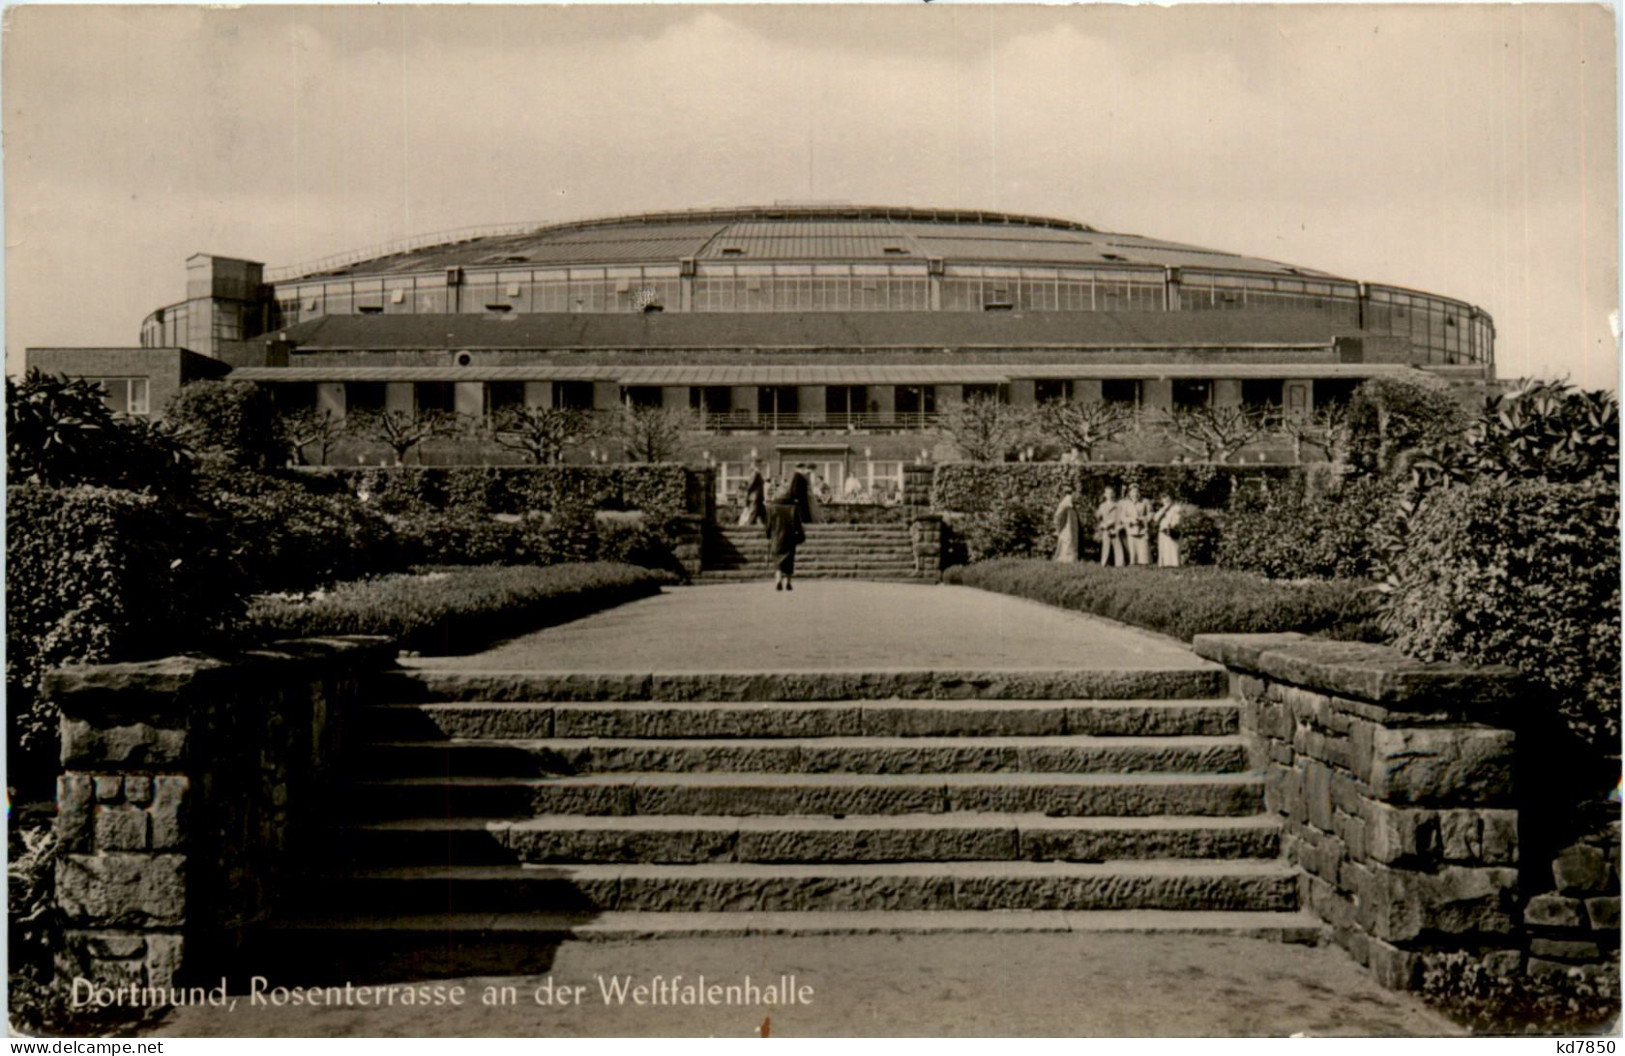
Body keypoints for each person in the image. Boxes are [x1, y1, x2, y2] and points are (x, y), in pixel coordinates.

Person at [766, 473, 808, 592]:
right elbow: (798, 525)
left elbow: (769, 525)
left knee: (777, 559)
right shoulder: (793, 508)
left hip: (776, 537)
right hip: (789, 538)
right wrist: (800, 537)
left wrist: (768, 534)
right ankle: (788, 582)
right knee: (789, 559)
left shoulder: (772, 508)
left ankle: (778, 579)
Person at [1123, 483, 1153, 565]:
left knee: (1144, 549)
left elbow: (1150, 514)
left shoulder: (1145, 501)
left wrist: (1142, 519)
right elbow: (1123, 517)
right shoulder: (1126, 503)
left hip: (1142, 528)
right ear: (1129, 493)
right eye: (1133, 492)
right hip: (1131, 529)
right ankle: (1133, 563)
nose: (1135, 494)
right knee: (1132, 548)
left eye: (1137, 492)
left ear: (1139, 493)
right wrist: (1130, 520)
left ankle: (1144, 564)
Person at [1096, 486, 1125, 566]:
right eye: (1107, 493)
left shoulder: (1118, 505)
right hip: (1106, 529)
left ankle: (1120, 563)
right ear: (1105, 495)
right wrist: (1102, 525)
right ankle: (1104, 563)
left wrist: (1118, 527)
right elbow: (1098, 518)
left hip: (1115, 528)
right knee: (1106, 546)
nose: (1110, 495)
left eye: (1111, 493)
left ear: (1114, 494)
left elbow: (1121, 517)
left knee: (1118, 546)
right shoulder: (1102, 506)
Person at [1154, 494, 1184, 567]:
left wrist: (1172, 525)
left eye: (1168, 500)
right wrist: (1164, 509)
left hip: (1172, 530)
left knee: (1173, 547)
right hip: (1163, 531)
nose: (1166, 502)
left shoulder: (1176, 508)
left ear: (1171, 500)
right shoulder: (1162, 509)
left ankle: (1174, 564)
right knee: (1164, 547)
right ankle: (1164, 564)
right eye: (1164, 500)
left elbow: (1178, 519)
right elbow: (1155, 518)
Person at [1052, 489, 1081, 563]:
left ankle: (1071, 559)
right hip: (1066, 527)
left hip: (1071, 526)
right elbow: (1058, 516)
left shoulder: (1071, 504)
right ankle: (1066, 559)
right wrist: (1058, 527)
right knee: (1067, 542)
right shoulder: (1065, 503)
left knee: (1071, 541)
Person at [739, 461, 767, 526]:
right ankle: (748, 525)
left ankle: (765, 526)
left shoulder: (756, 473)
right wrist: (746, 490)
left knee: (761, 513)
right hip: (755, 496)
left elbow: (751, 485)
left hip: (757, 496)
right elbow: (751, 485)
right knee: (754, 512)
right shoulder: (755, 473)